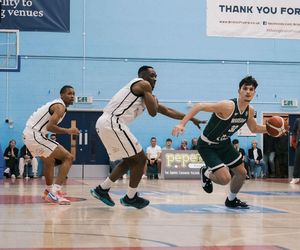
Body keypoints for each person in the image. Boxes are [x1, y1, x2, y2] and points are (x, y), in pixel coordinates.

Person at [90, 65, 203, 209]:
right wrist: (152, 98)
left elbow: (167, 110)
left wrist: (190, 118)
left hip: (107, 124)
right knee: (141, 159)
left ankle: (102, 189)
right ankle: (130, 197)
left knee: (131, 160)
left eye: (156, 76)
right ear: (142, 76)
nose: (155, 78)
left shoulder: (144, 92)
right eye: (152, 75)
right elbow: (153, 112)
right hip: (113, 122)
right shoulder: (143, 85)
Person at [172, 76, 277, 209]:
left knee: (242, 173)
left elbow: (254, 128)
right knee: (225, 179)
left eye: (251, 89)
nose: (248, 92)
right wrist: (182, 124)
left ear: (254, 93)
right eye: (245, 88)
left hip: (224, 144)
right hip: (207, 145)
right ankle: (206, 172)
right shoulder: (227, 106)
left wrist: (273, 130)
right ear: (239, 90)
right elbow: (199, 106)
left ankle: (231, 200)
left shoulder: (250, 111)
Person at [23, 85, 80, 205]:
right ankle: (55, 192)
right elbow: (50, 127)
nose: (72, 96)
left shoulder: (58, 105)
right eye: (69, 93)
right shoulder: (60, 107)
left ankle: (48, 192)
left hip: (31, 134)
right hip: (35, 135)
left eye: (74, 94)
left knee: (49, 161)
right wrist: (68, 131)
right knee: (68, 157)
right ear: (61, 95)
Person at [290, 118, 300, 184]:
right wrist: (295, 141)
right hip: (299, 143)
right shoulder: (298, 120)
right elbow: (294, 131)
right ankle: (295, 177)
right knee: (297, 160)